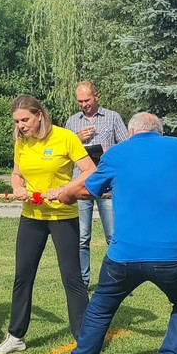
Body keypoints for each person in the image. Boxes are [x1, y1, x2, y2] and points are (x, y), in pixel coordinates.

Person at [56, 113, 177, 354]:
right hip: (173, 255)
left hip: (124, 255)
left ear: (131, 131)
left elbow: (90, 189)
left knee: (100, 308)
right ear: (160, 131)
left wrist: (66, 193)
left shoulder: (116, 154)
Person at [0, 95, 95, 354]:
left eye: (25, 119)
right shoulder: (21, 143)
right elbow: (17, 173)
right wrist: (17, 186)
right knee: (23, 276)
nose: (21, 125)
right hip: (32, 217)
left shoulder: (65, 137)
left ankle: (84, 338)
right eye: (17, 121)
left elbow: (90, 170)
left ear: (39, 115)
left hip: (62, 216)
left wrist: (64, 189)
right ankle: (16, 337)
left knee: (72, 277)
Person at [64, 81, 128, 283]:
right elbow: (64, 152)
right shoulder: (72, 121)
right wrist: (77, 138)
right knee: (82, 237)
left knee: (112, 235)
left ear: (96, 96)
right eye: (80, 101)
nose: (84, 104)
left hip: (107, 184)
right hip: (81, 183)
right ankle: (83, 281)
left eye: (87, 100)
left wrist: (112, 153)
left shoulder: (112, 117)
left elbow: (127, 146)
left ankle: (117, 278)